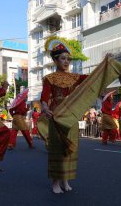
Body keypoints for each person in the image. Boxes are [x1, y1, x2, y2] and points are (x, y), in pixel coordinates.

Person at [40, 38, 88, 194]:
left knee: (70, 149)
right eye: (63, 58)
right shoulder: (49, 78)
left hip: (71, 116)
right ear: (55, 60)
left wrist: (106, 63)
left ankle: (65, 179)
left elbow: (93, 78)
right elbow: (44, 97)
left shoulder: (76, 77)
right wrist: (45, 108)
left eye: (68, 59)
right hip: (56, 116)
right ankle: (55, 182)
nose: (66, 61)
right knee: (57, 148)